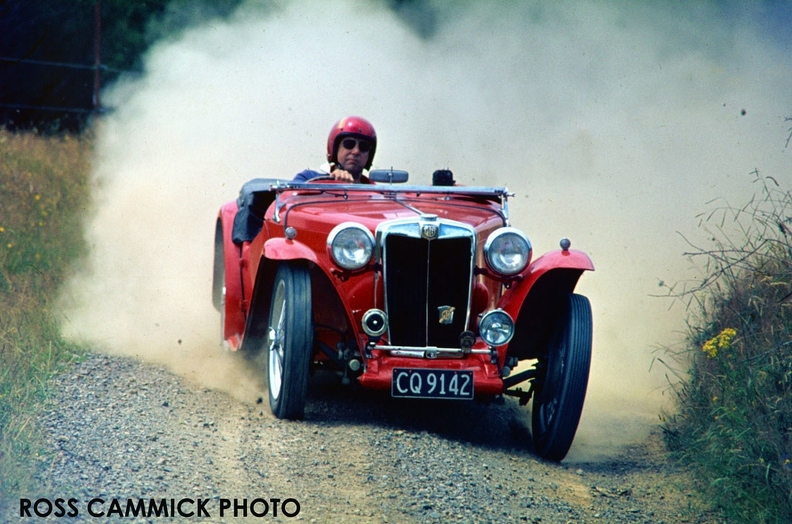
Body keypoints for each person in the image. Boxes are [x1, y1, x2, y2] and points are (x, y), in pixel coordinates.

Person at [293, 116, 377, 183]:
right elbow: (290, 198)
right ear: (335, 148)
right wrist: (330, 182)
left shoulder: (376, 192)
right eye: (349, 144)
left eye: (364, 147)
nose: (356, 151)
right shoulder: (307, 178)